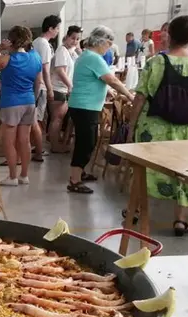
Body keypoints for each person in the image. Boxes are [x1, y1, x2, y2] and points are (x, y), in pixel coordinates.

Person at [127, 16, 188, 235]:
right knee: (184, 173)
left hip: (154, 128)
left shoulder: (157, 62)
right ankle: (180, 220)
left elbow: (140, 98)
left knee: (143, 168)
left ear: (170, 35)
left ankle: (136, 210)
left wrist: (131, 126)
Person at [67, 26, 134, 194]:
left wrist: (108, 91)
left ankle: (80, 173)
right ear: (101, 41)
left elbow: (97, 80)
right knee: (86, 143)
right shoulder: (94, 58)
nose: (108, 48)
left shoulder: (86, 56)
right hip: (85, 107)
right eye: (108, 44)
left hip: (82, 105)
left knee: (87, 141)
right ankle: (74, 180)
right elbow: (112, 80)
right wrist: (130, 96)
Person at [0, 26, 43, 186]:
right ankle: (24, 175)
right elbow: (38, 82)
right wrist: (33, 100)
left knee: (9, 141)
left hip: (11, 103)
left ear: (11, 41)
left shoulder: (7, 58)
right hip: (29, 101)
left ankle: (12, 177)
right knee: (24, 140)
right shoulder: (36, 57)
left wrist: (0, 48)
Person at [32, 14, 62, 161]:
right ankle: (39, 148)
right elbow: (45, 69)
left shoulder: (36, 42)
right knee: (38, 119)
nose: (57, 31)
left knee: (36, 118)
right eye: (57, 28)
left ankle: (35, 146)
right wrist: (50, 88)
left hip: (35, 84)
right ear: (50, 28)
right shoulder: (44, 44)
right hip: (41, 85)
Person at [49, 25, 82, 153]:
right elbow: (60, 70)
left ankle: (56, 143)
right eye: (73, 38)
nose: (75, 41)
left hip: (62, 89)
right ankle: (54, 146)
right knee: (57, 119)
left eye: (77, 39)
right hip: (58, 88)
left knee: (58, 119)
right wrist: (70, 85)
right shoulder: (62, 51)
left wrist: (78, 49)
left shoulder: (69, 52)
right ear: (67, 37)